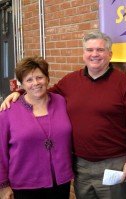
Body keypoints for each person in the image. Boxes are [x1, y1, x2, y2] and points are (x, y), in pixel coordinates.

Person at [0, 32, 126, 199]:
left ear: (110, 54)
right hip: (80, 167)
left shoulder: (125, 84)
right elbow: (41, 93)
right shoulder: (70, 81)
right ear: (83, 54)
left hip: (114, 165)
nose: (94, 54)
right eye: (89, 50)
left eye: (100, 50)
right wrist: (20, 93)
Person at [0, 56, 73, 199]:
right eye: (29, 80)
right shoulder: (8, 110)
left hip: (60, 183)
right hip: (24, 186)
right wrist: (3, 186)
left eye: (39, 77)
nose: (35, 83)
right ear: (22, 84)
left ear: (47, 78)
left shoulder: (61, 101)